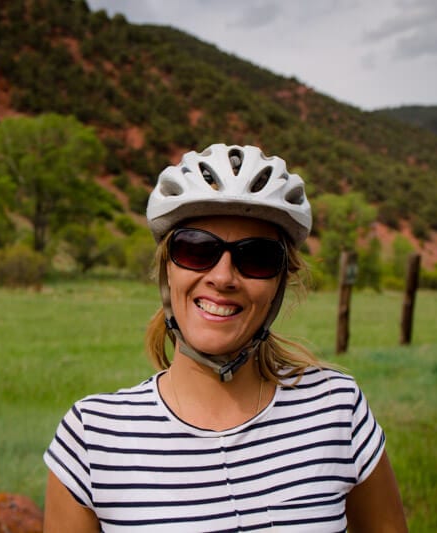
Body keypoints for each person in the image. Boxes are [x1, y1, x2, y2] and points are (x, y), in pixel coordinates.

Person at [43, 144, 408, 532]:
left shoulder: (336, 410)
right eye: (197, 249)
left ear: (280, 283)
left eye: (256, 257)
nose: (222, 277)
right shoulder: (93, 438)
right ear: (167, 269)